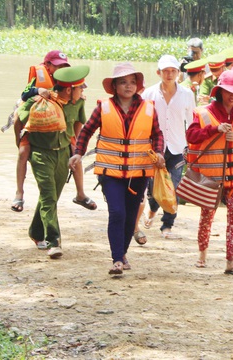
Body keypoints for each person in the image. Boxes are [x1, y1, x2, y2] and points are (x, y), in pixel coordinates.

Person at [70, 63, 165, 274]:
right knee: (117, 212)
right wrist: (78, 153)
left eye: (132, 82)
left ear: (138, 86)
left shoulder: (148, 108)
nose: (128, 86)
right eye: (123, 82)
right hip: (110, 171)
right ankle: (117, 259)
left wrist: (159, 153)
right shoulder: (103, 107)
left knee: (131, 215)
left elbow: (157, 134)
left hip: (138, 172)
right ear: (114, 86)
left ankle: (122, 253)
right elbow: (86, 131)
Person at [185, 70, 233, 275]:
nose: (232, 95)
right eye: (228, 91)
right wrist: (214, 129)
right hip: (210, 176)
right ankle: (202, 255)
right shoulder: (203, 112)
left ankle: (231, 262)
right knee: (206, 215)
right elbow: (191, 136)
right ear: (219, 91)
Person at [17, 65, 90, 259]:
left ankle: (35, 231)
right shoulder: (41, 100)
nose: (83, 90)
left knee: (51, 197)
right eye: (80, 87)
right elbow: (20, 117)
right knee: (49, 196)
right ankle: (53, 241)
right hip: (41, 154)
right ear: (68, 89)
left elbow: (78, 128)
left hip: (63, 154)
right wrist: (21, 143)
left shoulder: (77, 103)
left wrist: (77, 152)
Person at [11, 50, 96, 213]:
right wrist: (37, 91)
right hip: (36, 124)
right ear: (47, 65)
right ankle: (19, 193)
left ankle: (80, 194)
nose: (61, 68)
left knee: (76, 153)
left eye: (64, 65)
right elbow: (24, 95)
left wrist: (76, 142)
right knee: (23, 152)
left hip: (61, 128)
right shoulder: (38, 79)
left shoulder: (70, 83)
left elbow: (78, 121)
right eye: (58, 65)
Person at [141, 55, 195, 239]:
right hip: (154, 148)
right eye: (166, 71)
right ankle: (153, 208)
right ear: (159, 73)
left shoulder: (187, 94)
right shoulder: (148, 94)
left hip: (178, 147)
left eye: (173, 71)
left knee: (174, 186)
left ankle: (167, 225)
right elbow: (141, 120)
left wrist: (192, 147)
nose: (169, 74)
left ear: (179, 73)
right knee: (151, 187)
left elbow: (193, 122)